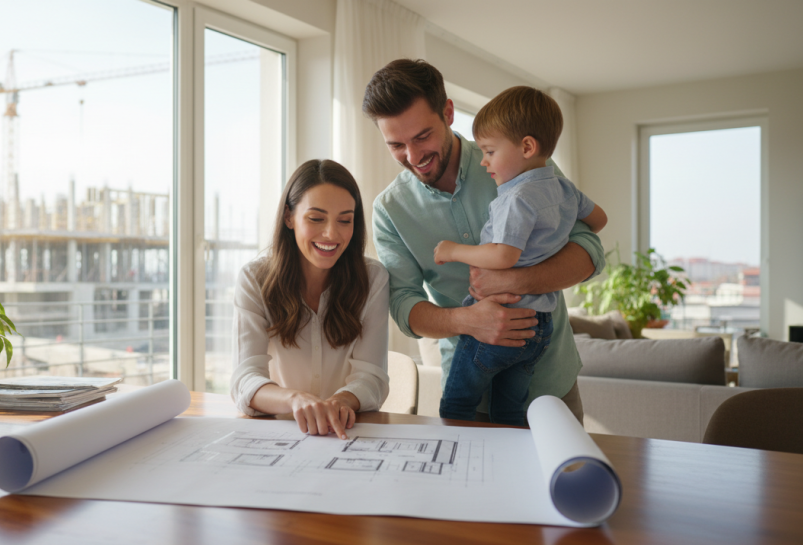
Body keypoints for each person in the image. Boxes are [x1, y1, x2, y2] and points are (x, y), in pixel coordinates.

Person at [364, 59, 605, 424]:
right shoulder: (390, 209)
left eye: (422, 136)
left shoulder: (518, 158)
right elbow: (402, 305)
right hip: (469, 395)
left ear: (448, 112)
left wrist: (514, 280)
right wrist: (468, 320)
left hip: (549, 388)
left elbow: (589, 250)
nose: (413, 157)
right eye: (396, 145)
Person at [432, 86, 608, 425]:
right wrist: (551, 243)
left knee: (456, 406)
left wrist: (452, 250)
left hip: (502, 318)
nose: (483, 161)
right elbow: (598, 220)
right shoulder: (563, 187)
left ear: (527, 147)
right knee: (512, 411)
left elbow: (503, 257)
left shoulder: (517, 197)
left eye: (489, 151)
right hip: (538, 327)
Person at [230, 159, 390, 439]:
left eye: (345, 220)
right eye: (316, 218)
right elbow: (245, 380)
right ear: (289, 217)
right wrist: (295, 400)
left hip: (346, 433)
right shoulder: (255, 279)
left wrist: (340, 402)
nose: (331, 234)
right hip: (282, 433)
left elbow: (372, 377)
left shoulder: (373, 279)